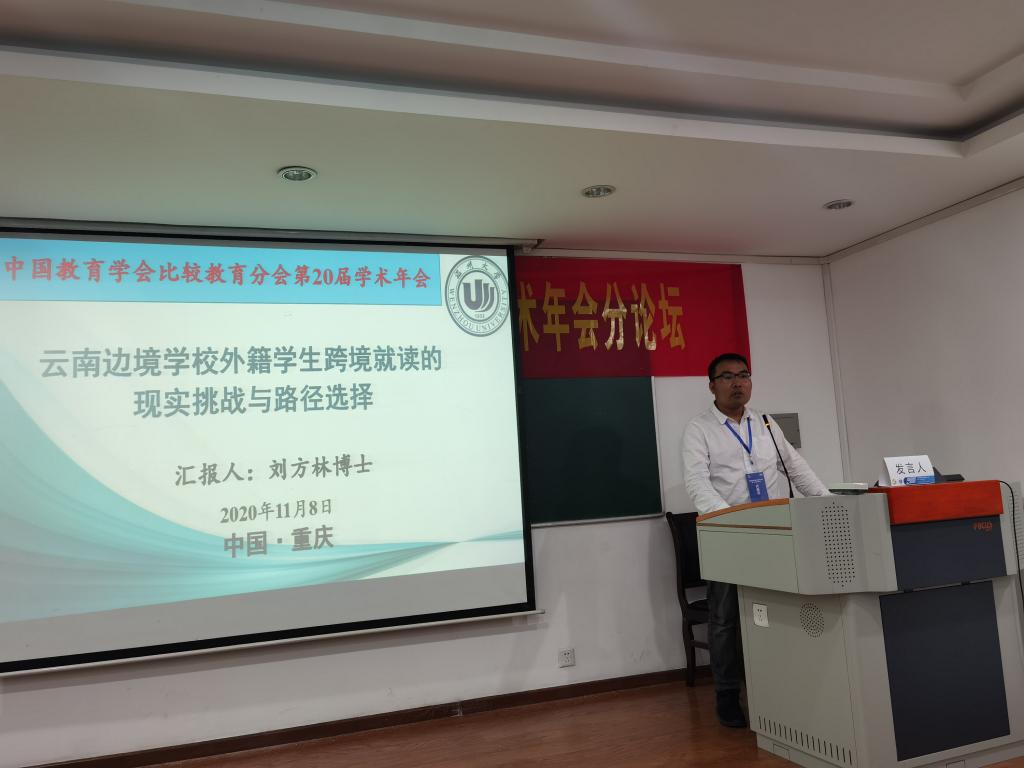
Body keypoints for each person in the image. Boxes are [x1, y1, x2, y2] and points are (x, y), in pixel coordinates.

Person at [682, 352, 828, 728]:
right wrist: (732, 521)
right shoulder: (699, 429)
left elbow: (795, 467)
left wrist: (827, 502)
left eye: (744, 375)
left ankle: (777, 687)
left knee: (775, 611)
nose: (737, 382)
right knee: (725, 619)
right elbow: (697, 483)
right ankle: (727, 695)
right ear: (712, 385)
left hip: (771, 534)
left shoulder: (764, 423)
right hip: (727, 536)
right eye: (727, 376)